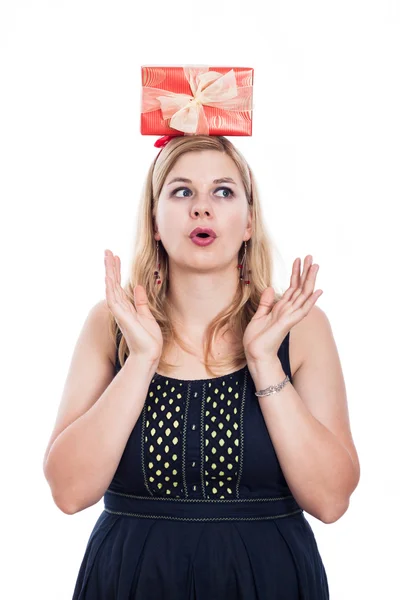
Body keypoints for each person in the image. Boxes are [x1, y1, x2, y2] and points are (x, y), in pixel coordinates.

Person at [43, 134, 360, 599]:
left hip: (268, 583)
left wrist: (264, 362)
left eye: (224, 191)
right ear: (155, 220)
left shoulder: (302, 328)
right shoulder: (111, 324)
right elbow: (69, 493)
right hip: (130, 580)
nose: (202, 208)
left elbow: (331, 501)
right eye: (182, 191)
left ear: (249, 221)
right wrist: (141, 360)